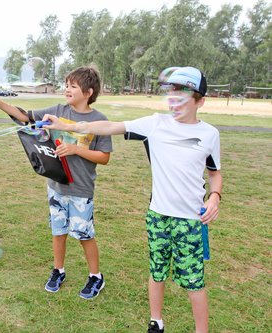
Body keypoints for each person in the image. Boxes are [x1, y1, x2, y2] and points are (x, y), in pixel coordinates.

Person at [43, 66, 222, 333]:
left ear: (200, 101)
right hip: (158, 215)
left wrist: (215, 196)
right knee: (156, 271)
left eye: (183, 95)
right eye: (172, 93)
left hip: (191, 221)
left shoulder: (210, 134)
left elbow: (215, 171)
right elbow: (107, 126)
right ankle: (156, 322)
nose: (175, 100)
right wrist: (65, 124)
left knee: (194, 281)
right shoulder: (155, 124)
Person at [0, 66, 113, 299]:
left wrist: (75, 149)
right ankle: (58, 270)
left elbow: (104, 157)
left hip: (81, 188)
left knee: (84, 234)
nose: (67, 89)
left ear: (88, 92)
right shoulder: (57, 110)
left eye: (73, 86)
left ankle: (96, 276)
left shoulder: (99, 121)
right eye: (66, 84)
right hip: (56, 186)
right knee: (58, 231)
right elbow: (25, 116)